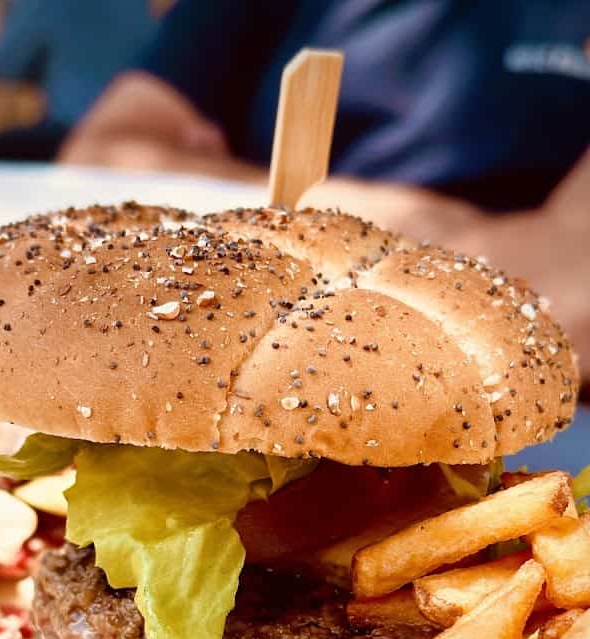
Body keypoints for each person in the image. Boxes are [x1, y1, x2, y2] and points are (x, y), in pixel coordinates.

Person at [59, 0, 590, 377]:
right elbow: (102, 159)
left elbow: (574, 289)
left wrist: (230, 192)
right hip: (219, 361)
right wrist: (461, 232)